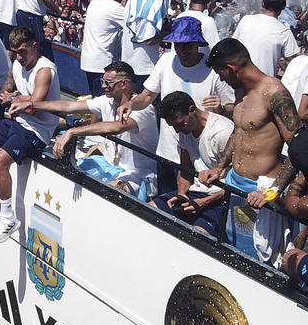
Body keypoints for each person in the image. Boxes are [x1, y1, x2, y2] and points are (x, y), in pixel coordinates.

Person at [200, 38, 299, 262]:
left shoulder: (274, 92)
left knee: (266, 259)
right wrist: (218, 168)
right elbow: (239, 132)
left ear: (231, 69)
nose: (221, 80)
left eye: (221, 74)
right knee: (236, 250)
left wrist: (272, 192)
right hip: (237, 187)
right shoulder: (241, 91)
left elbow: (298, 149)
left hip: (264, 192)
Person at [0, 27, 60, 242]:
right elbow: (8, 86)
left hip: (37, 131)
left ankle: (8, 218)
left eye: (23, 52)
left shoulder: (44, 70)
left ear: (35, 46)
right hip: (17, 122)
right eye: (15, 52)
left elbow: (36, 105)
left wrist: (14, 99)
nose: (18, 57)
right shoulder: (17, 63)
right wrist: (6, 93)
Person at [11, 61, 158, 196]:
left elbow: (116, 127)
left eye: (108, 82)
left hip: (138, 173)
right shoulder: (106, 101)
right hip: (109, 165)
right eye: (102, 81)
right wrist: (31, 104)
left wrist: (72, 131)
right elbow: (68, 106)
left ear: (124, 84)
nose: (103, 86)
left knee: (110, 192)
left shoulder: (142, 109)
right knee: (67, 174)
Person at [116, 15, 234, 163]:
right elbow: (147, 96)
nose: (182, 50)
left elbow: (231, 108)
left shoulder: (213, 70)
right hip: (167, 153)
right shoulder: (166, 61)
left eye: (188, 45)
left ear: (198, 44)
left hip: (201, 158)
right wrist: (130, 105)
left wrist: (221, 109)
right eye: (178, 45)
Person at [152, 91, 233, 233]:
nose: (177, 131)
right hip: (195, 193)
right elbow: (185, 170)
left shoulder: (223, 132)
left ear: (192, 110)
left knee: (196, 236)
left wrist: (205, 202)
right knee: (147, 210)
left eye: (180, 124)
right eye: (173, 127)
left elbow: (238, 181)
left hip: (221, 198)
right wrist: (181, 193)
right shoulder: (183, 131)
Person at [232, 0, 298, 77]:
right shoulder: (284, 31)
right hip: (265, 87)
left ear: (263, 3)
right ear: (283, 6)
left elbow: (233, 45)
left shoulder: (246, 20)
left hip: (238, 81)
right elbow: (295, 62)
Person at [79, 0, 128, 95]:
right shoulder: (115, 8)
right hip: (102, 64)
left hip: (88, 60)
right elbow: (132, 24)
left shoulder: (95, 1)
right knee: (103, 103)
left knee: (96, 100)